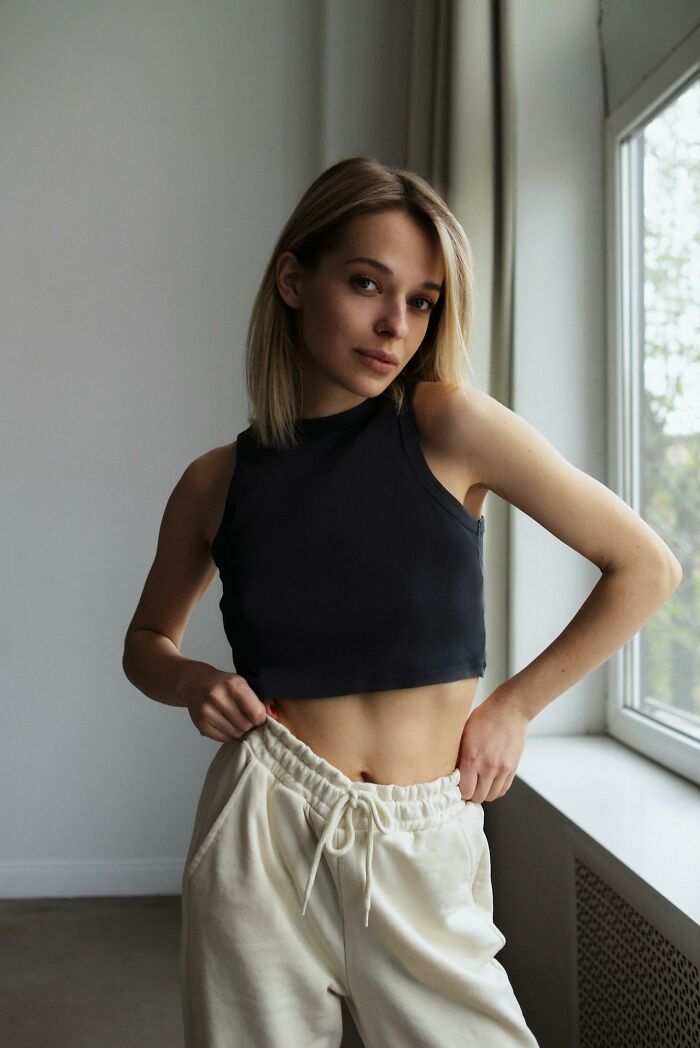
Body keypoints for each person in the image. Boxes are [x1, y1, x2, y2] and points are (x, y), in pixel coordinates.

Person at [122, 155, 682, 1048]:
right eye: (366, 284)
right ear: (295, 280)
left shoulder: (449, 423)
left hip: (425, 830)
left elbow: (645, 568)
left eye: (422, 300)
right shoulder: (215, 482)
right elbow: (146, 641)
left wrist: (514, 707)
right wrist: (191, 680)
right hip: (265, 816)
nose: (395, 324)